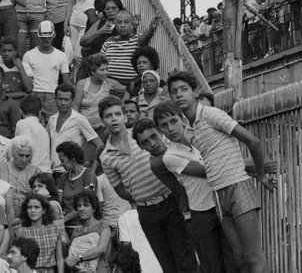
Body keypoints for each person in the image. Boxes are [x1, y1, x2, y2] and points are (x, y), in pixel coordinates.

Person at [169, 71, 273, 273]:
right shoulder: (190, 128)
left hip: (238, 187)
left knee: (253, 256)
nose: (179, 95)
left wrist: (260, 175)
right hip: (217, 194)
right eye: (174, 92)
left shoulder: (211, 114)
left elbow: (253, 141)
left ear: (196, 91)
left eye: (183, 89)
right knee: (240, 258)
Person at [98, 96, 196, 273]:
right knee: (166, 263)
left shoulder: (143, 135)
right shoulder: (106, 156)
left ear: (125, 117)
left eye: (117, 114)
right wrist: (141, 197)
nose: (113, 119)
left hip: (170, 202)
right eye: (108, 115)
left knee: (185, 259)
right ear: (102, 120)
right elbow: (120, 189)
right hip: (146, 212)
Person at [150, 102, 240, 273]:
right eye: (164, 125)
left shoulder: (203, 137)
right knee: (213, 266)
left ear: (183, 119)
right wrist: (252, 166)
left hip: (222, 203)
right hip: (202, 211)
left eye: (173, 121)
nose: (170, 128)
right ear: (160, 130)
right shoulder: (170, 156)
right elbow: (210, 170)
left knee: (233, 261)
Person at [48, 84, 103, 175]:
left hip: (72, 173)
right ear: (55, 99)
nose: (63, 103)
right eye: (60, 99)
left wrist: (92, 171)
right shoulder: (52, 119)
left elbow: (100, 145)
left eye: (66, 99)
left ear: (72, 101)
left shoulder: (79, 119)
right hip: (53, 172)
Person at [22, 21, 71, 122]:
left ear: (54, 35)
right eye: (43, 37)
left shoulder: (61, 55)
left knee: (53, 128)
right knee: (33, 127)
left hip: (53, 95)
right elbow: (27, 81)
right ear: (39, 36)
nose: (46, 39)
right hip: (34, 94)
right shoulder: (29, 55)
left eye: (48, 37)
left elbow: (66, 81)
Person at [11, 192, 65, 273]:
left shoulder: (55, 230)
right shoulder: (21, 231)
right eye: (30, 207)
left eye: (36, 207)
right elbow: (17, 259)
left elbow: (59, 259)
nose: (33, 210)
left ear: (43, 210)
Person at [64, 190, 112, 273]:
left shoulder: (103, 226)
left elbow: (101, 249)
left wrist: (78, 258)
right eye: (79, 206)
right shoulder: (77, 231)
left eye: (86, 205)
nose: (81, 209)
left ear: (94, 208)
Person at [13, 95, 52, 173]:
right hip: (46, 172)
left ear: (20, 111)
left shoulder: (23, 124)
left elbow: (25, 150)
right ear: (40, 111)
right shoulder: (43, 129)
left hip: (33, 174)